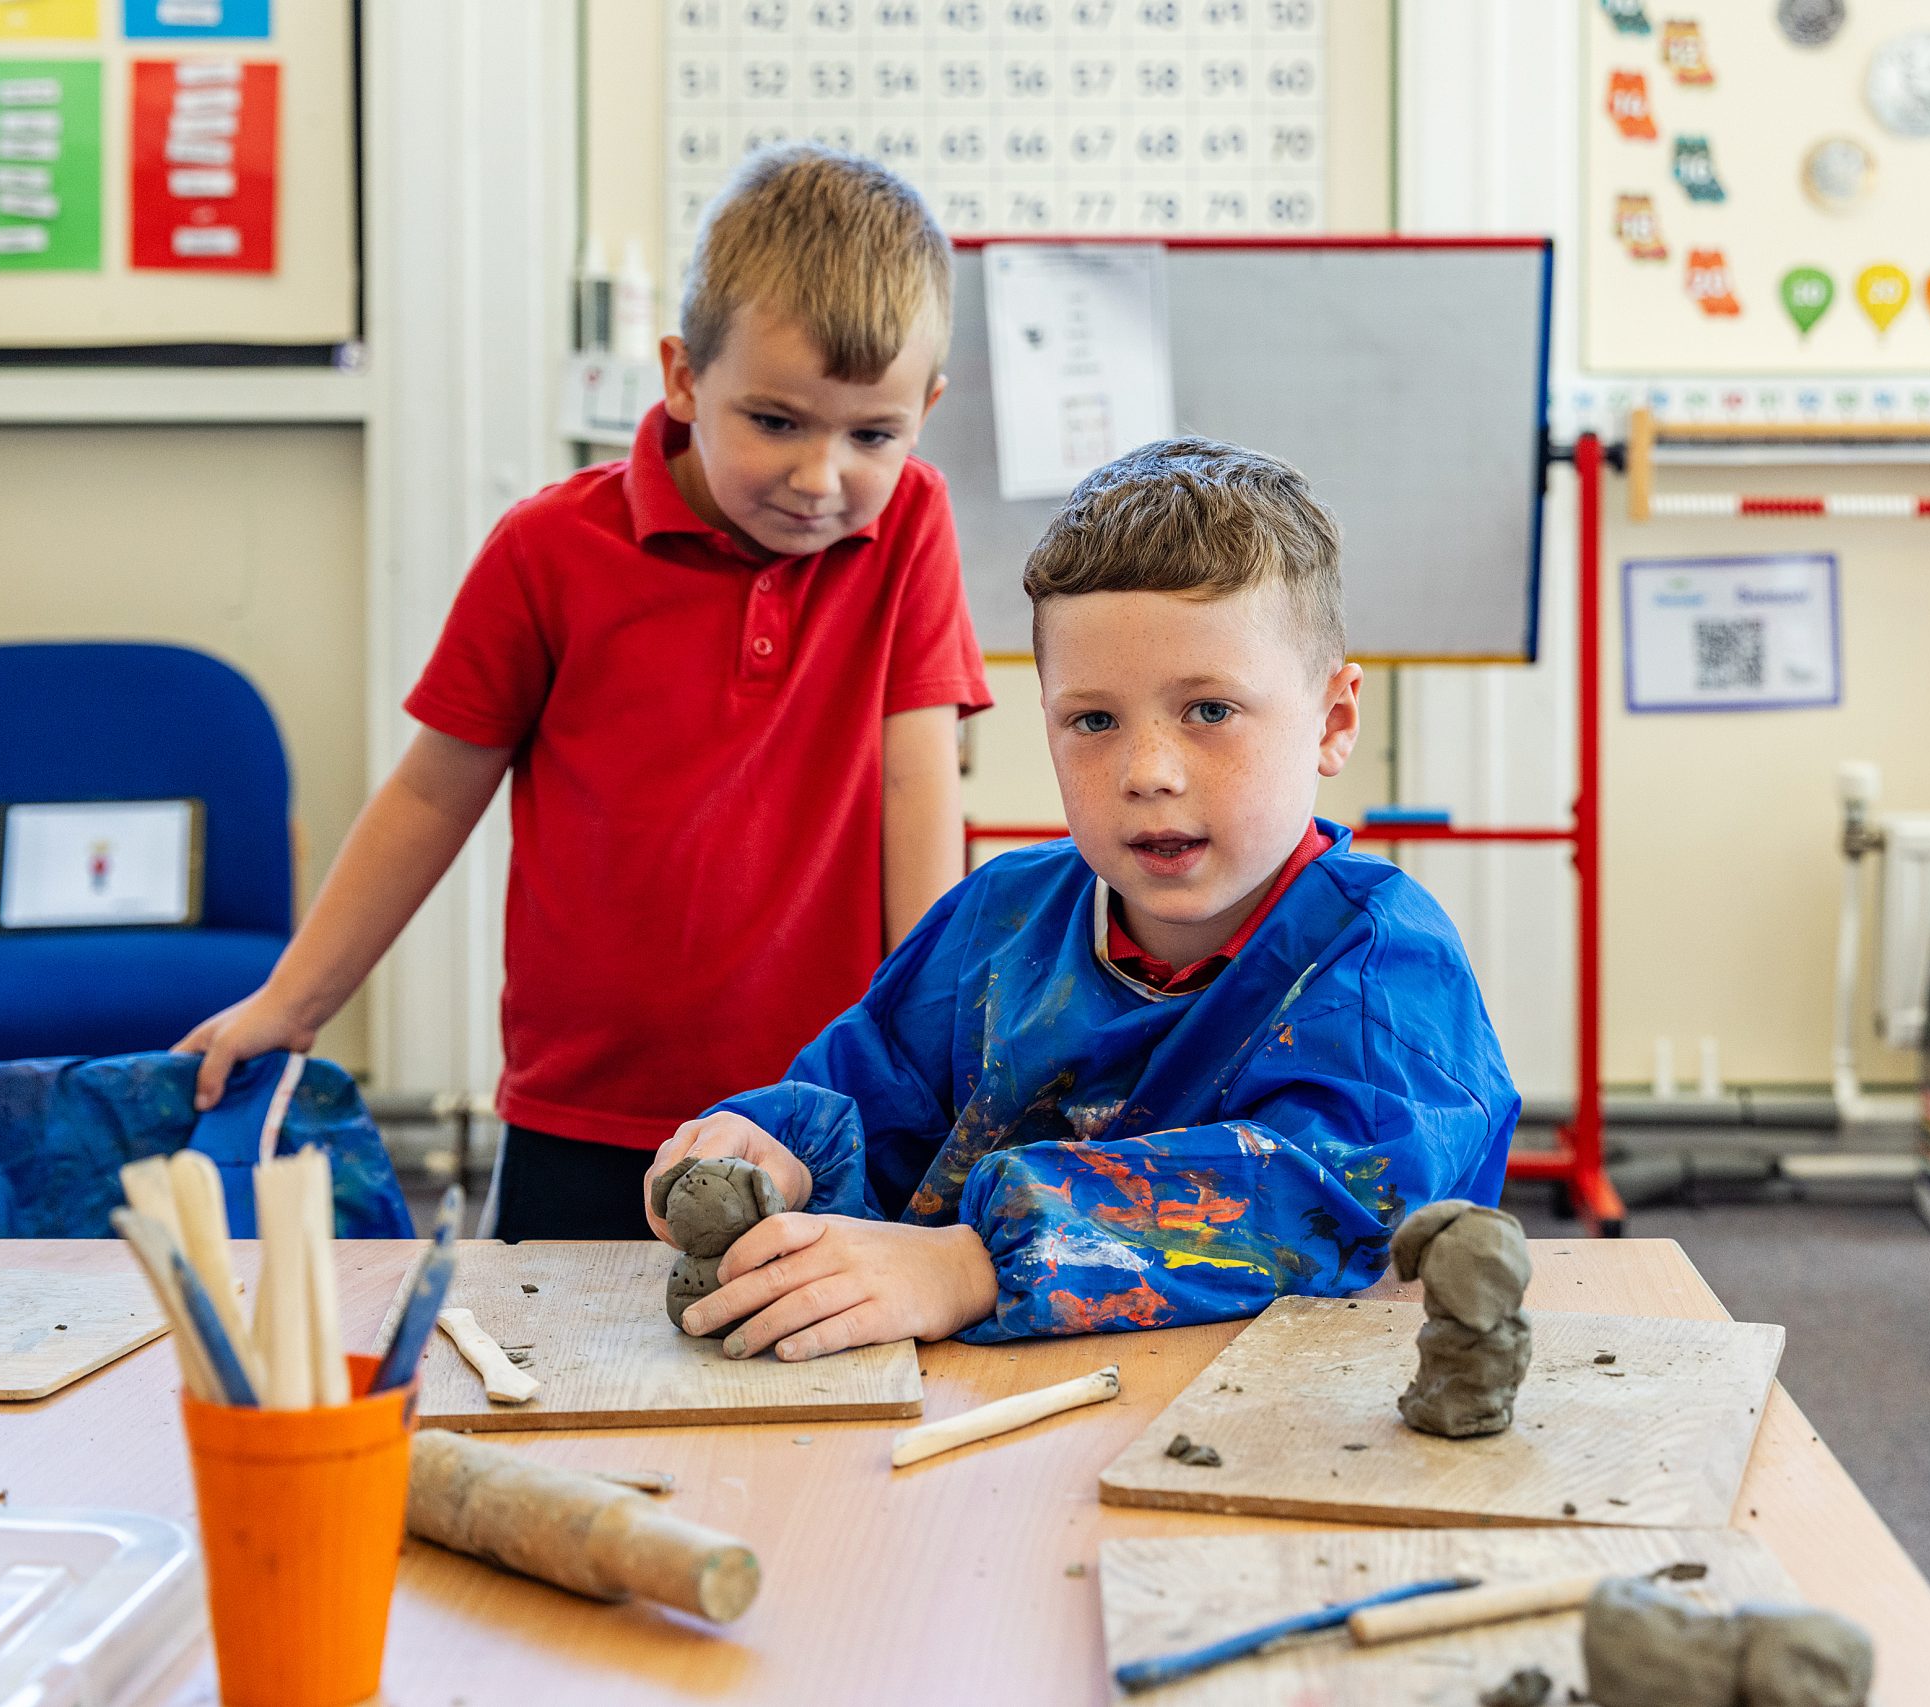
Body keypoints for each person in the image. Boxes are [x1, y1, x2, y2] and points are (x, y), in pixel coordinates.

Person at [176, 146, 991, 1238]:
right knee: (551, 1376)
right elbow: (431, 796)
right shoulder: (549, 550)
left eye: (872, 435)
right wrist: (293, 1003)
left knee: (818, 1392)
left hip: (818, 1112)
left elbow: (916, 785)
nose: (820, 478)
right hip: (587, 1108)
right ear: (683, 378)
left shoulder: (908, 525)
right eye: (776, 421)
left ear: (925, 410)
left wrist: (914, 1053)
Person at [646, 438, 1520, 1356]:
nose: (1147, 772)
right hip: (997, 1446)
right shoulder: (1002, 917)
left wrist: (973, 1264)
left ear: (1333, 722)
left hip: (1273, 1436)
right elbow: (870, 1093)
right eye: (1093, 720)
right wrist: (771, 1144)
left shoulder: (1384, 964)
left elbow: (1327, 1199)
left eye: (1209, 710)